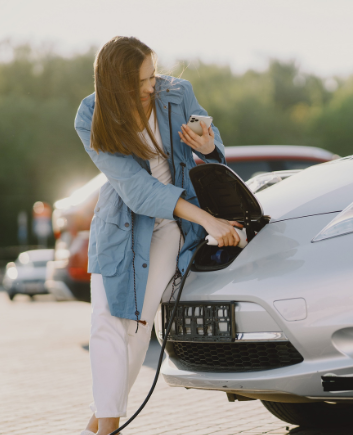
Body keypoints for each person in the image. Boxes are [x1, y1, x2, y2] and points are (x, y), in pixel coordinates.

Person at [74, 36, 242, 435]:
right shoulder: (91, 115)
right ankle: (108, 427)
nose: (155, 84)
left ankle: (100, 425)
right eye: (144, 80)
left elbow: (209, 135)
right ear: (118, 87)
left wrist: (208, 142)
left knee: (135, 327)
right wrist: (208, 220)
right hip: (121, 226)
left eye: (154, 72)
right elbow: (137, 189)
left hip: (170, 227)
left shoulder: (176, 93)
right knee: (105, 322)